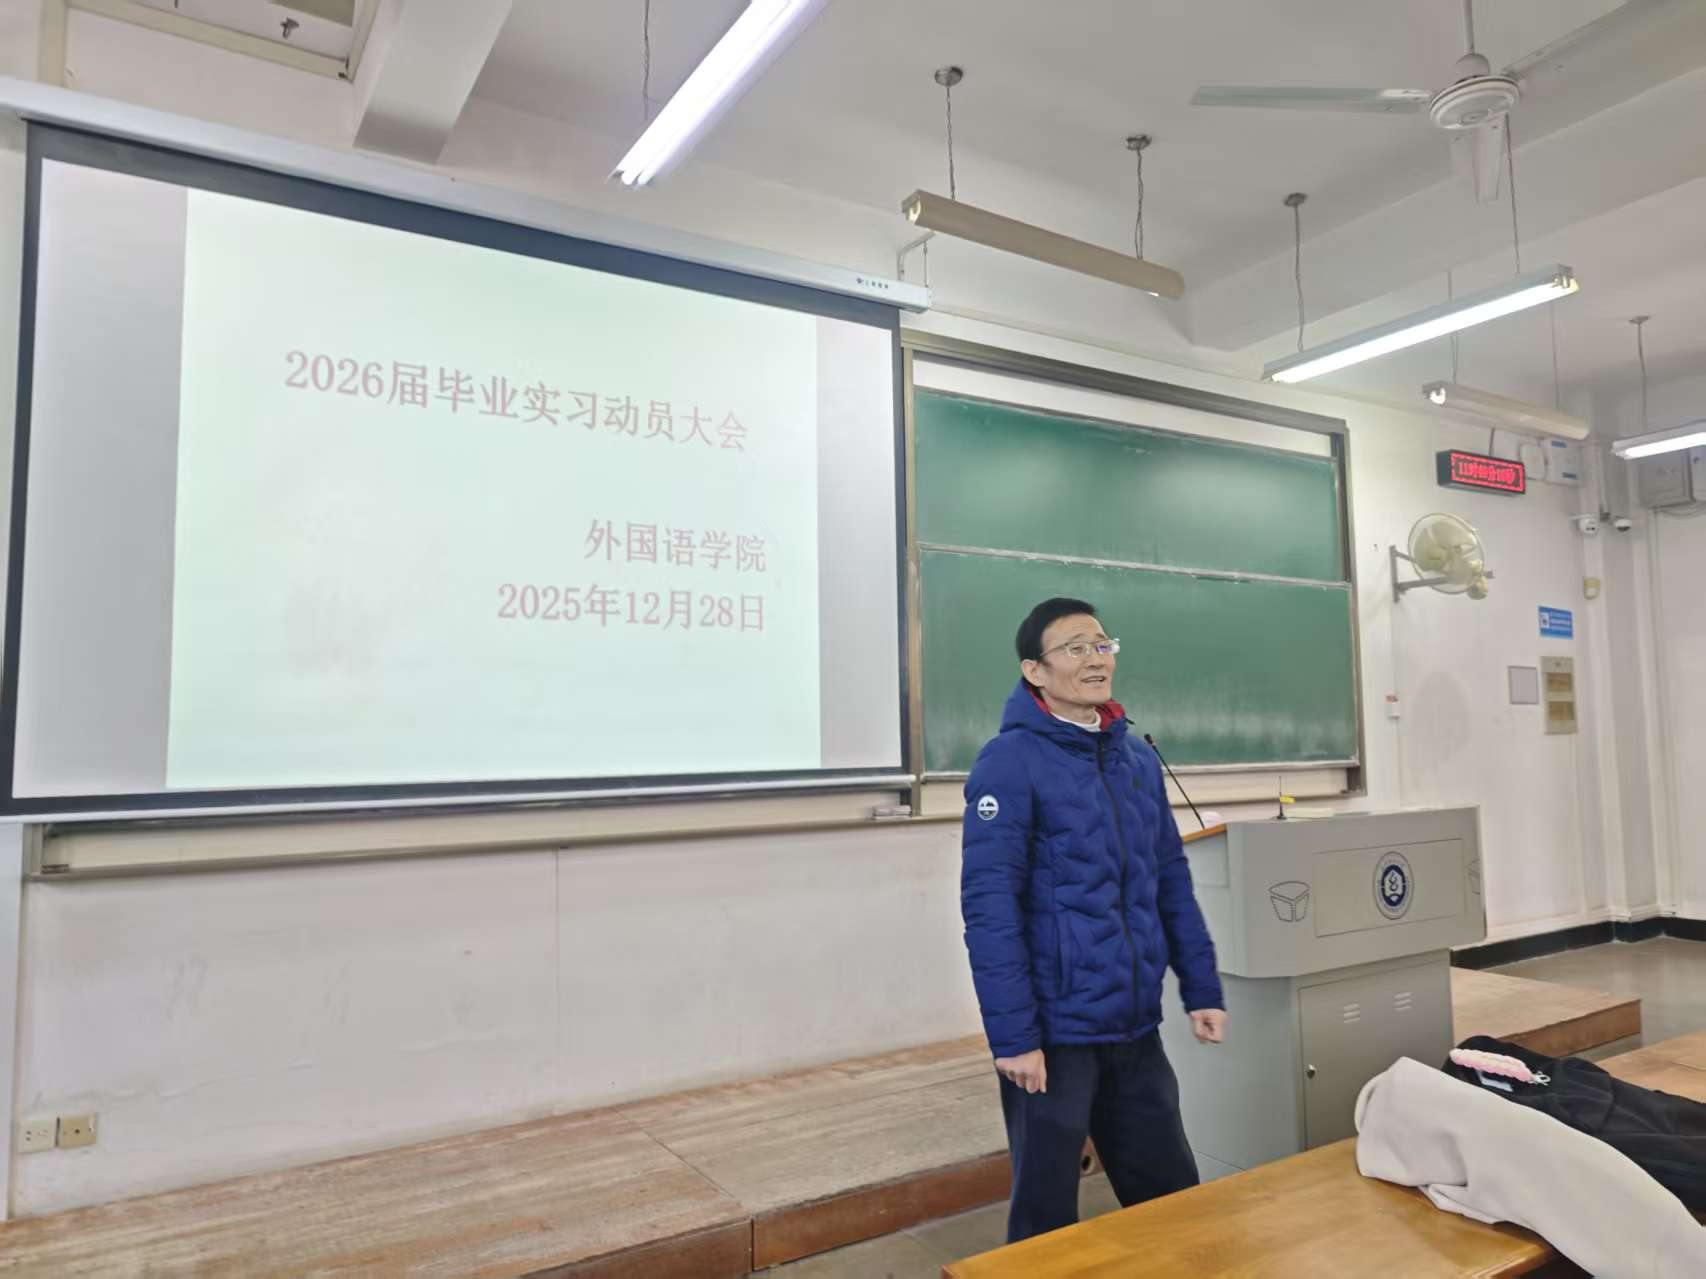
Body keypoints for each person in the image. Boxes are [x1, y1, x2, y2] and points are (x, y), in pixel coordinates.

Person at [960, 596, 1227, 1243]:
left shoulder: (1135, 759)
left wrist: (1201, 986)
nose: (1095, 658)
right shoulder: (1009, 762)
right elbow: (990, 907)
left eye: (1102, 644)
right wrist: (1014, 1038)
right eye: (1075, 647)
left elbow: (1170, 878)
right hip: (1055, 1034)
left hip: (1134, 1026)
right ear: (1035, 671)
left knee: (1173, 1201)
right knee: (1046, 1218)